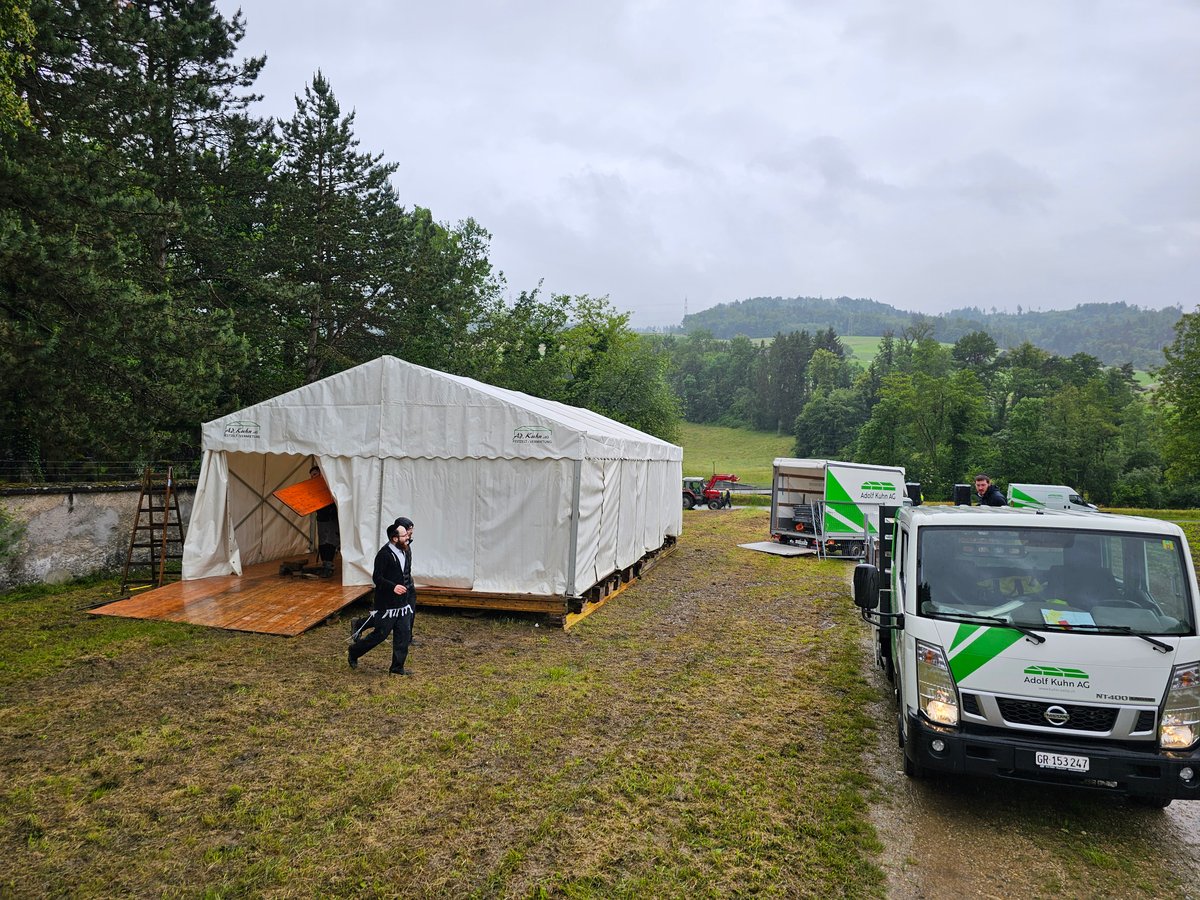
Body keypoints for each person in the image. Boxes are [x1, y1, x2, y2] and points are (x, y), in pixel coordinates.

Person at [348, 520, 416, 674]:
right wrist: (393, 586)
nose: (408, 537)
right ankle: (354, 651)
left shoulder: (405, 549)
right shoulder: (384, 555)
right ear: (394, 538)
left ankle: (397, 668)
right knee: (380, 635)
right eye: (404, 535)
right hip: (387, 606)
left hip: (403, 604)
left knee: (403, 635)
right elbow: (377, 578)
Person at [310, 465, 340, 577]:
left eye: (315, 474)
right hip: (322, 519)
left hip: (331, 518)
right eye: (312, 475)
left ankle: (329, 564)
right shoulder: (313, 488)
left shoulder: (328, 486)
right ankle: (325, 564)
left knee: (331, 541)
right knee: (323, 541)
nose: (313, 477)